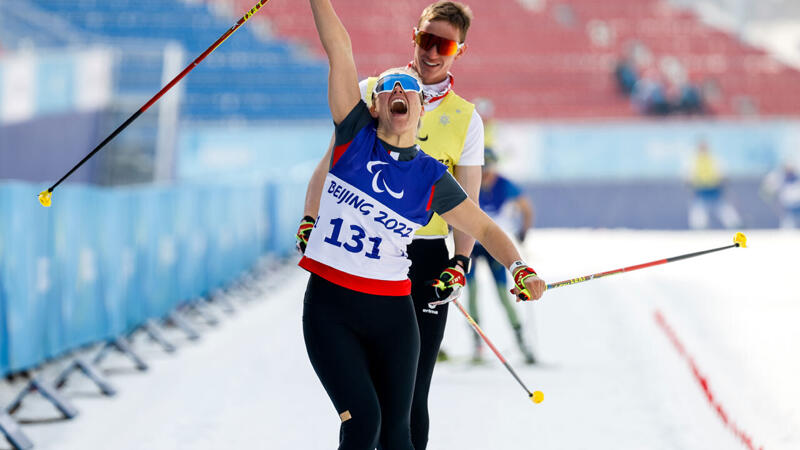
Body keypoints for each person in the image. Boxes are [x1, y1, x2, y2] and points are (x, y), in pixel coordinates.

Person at [298, 1, 546, 448]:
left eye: (408, 91)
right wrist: (309, 219)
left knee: (403, 419)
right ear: (373, 105)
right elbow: (339, 47)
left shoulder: (434, 171)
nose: (400, 89)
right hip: (334, 301)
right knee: (363, 420)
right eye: (389, 88)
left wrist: (504, 266)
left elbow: (482, 222)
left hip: (408, 286)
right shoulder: (355, 137)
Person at [465, 148, 536, 365]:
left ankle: (522, 343)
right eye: (482, 170)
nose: (486, 175)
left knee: (504, 296)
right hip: (472, 246)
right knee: (473, 294)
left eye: (489, 170)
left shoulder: (504, 185)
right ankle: (477, 346)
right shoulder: (469, 182)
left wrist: (523, 231)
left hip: (494, 247)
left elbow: (526, 208)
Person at [686, 139, 742, 229]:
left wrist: (723, 179)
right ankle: (698, 227)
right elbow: (690, 173)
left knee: (723, 208)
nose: (703, 150)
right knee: (698, 210)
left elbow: (721, 170)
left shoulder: (713, 159)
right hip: (701, 189)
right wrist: (690, 181)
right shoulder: (694, 160)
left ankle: (735, 224)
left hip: (714, 188)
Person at [761, 162, 800, 228]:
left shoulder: (797, 179)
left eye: (791, 169)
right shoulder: (779, 179)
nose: (789, 171)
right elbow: (767, 191)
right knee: (788, 225)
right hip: (786, 207)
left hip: (797, 205)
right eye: (787, 169)